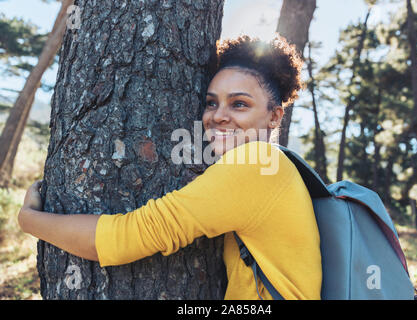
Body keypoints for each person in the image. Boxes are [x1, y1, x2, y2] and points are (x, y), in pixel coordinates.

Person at [18, 35, 322, 300]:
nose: (218, 116)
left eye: (239, 104)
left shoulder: (254, 165)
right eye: (211, 103)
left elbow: (127, 237)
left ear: (275, 117)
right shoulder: (272, 168)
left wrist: (30, 220)